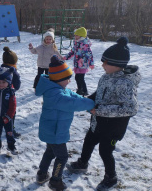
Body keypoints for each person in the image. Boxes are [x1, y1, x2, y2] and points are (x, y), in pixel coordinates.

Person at [66, 37, 141, 190]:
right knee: (88, 141)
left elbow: (130, 108)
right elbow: (99, 94)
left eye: (106, 62)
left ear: (117, 65)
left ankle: (111, 177)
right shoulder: (106, 77)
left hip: (113, 128)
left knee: (105, 151)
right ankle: (82, 163)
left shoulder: (125, 83)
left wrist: (100, 111)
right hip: (98, 122)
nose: (102, 65)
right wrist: (85, 100)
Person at [35, 55, 95, 190]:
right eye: (67, 78)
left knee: (50, 152)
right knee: (62, 157)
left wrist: (88, 103)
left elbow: (74, 96)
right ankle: (55, 180)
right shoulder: (56, 95)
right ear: (58, 79)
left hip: (51, 130)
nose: (69, 81)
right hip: (55, 132)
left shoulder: (56, 89)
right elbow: (72, 103)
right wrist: (91, 104)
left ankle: (42, 174)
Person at [0, 46, 21, 138]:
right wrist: (12, 90)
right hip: (8, 97)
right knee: (11, 112)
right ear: (14, 62)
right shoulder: (14, 72)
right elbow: (17, 85)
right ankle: (11, 128)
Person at [63, 27, 94, 96]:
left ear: (81, 36)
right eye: (75, 35)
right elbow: (72, 51)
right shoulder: (77, 43)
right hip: (77, 64)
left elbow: (90, 55)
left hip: (83, 64)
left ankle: (85, 91)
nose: (75, 36)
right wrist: (66, 57)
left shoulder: (85, 45)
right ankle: (79, 89)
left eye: (76, 35)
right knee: (77, 77)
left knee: (81, 78)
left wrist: (91, 63)